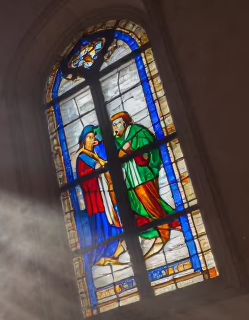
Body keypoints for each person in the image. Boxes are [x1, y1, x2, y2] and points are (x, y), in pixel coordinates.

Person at [111, 111, 177, 255]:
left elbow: (148, 153)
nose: (115, 127)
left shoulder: (139, 132)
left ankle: (164, 233)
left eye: (117, 123)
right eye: (113, 125)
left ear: (125, 122)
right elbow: (117, 157)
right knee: (139, 207)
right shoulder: (118, 141)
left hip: (143, 177)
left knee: (151, 205)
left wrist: (132, 151)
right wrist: (124, 150)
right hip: (131, 179)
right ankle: (159, 230)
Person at [73, 125, 124, 266]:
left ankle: (114, 250)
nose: (92, 139)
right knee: (101, 224)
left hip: (102, 195)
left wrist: (100, 145)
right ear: (83, 140)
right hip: (94, 199)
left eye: (93, 137)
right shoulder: (82, 157)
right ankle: (102, 254)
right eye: (89, 137)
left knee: (111, 220)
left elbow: (103, 163)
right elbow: (87, 175)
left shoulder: (92, 154)